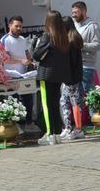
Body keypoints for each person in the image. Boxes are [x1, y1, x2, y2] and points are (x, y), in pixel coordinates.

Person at [32, 11, 75, 142]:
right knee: (55, 104)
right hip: (59, 75)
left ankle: (49, 134)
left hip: (46, 74)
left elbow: (36, 55)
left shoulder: (47, 36)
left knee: (46, 104)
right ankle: (56, 132)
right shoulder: (64, 37)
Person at [1, 16, 39, 133]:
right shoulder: (5, 39)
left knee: (28, 100)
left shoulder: (23, 39)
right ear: (10, 26)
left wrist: (31, 62)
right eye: (16, 26)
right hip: (10, 75)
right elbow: (5, 58)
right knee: (13, 100)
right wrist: (20, 61)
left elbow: (27, 53)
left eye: (20, 26)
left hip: (24, 75)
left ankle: (29, 123)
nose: (19, 28)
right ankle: (14, 125)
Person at [71, 2, 100, 95]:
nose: (74, 15)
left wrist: (81, 45)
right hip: (75, 65)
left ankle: (92, 110)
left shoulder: (92, 26)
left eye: (76, 12)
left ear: (83, 11)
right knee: (78, 97)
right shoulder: (75, 25)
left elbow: (97, 45)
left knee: (89, 96)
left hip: (86, 66)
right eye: (73, 13)